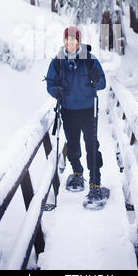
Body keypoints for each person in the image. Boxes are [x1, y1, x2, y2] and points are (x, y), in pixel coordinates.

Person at [45, 26, 106, 202]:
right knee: (72, 144)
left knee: (91, 145)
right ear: (64, 41)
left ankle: (95, 183)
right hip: (68, 109)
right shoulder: (57, 61)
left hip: (88, 110)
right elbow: (50, 82)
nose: (70, 42)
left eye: (73, 39)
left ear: (79, 41)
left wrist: (97, 81)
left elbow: (102, 82)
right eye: (67, 39)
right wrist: (56, 90)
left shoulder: (89, 59)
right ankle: (77, 173)